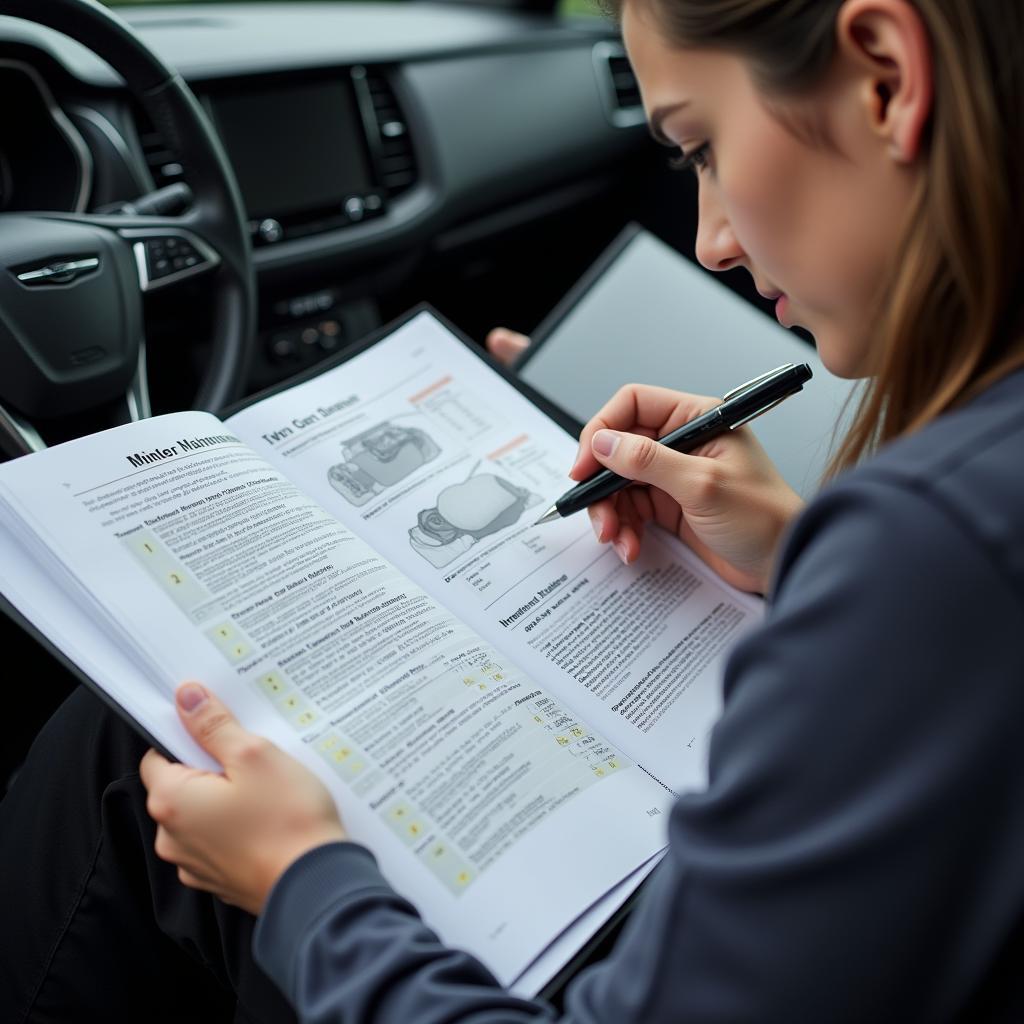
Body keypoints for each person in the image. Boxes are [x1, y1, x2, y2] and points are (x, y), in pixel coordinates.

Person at [4, 0, 1024, 1020]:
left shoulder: (934, 549)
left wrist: (304, 882)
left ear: (885, 75)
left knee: (126, 757)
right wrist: (802, 557)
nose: (710, 238)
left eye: (701, 144)